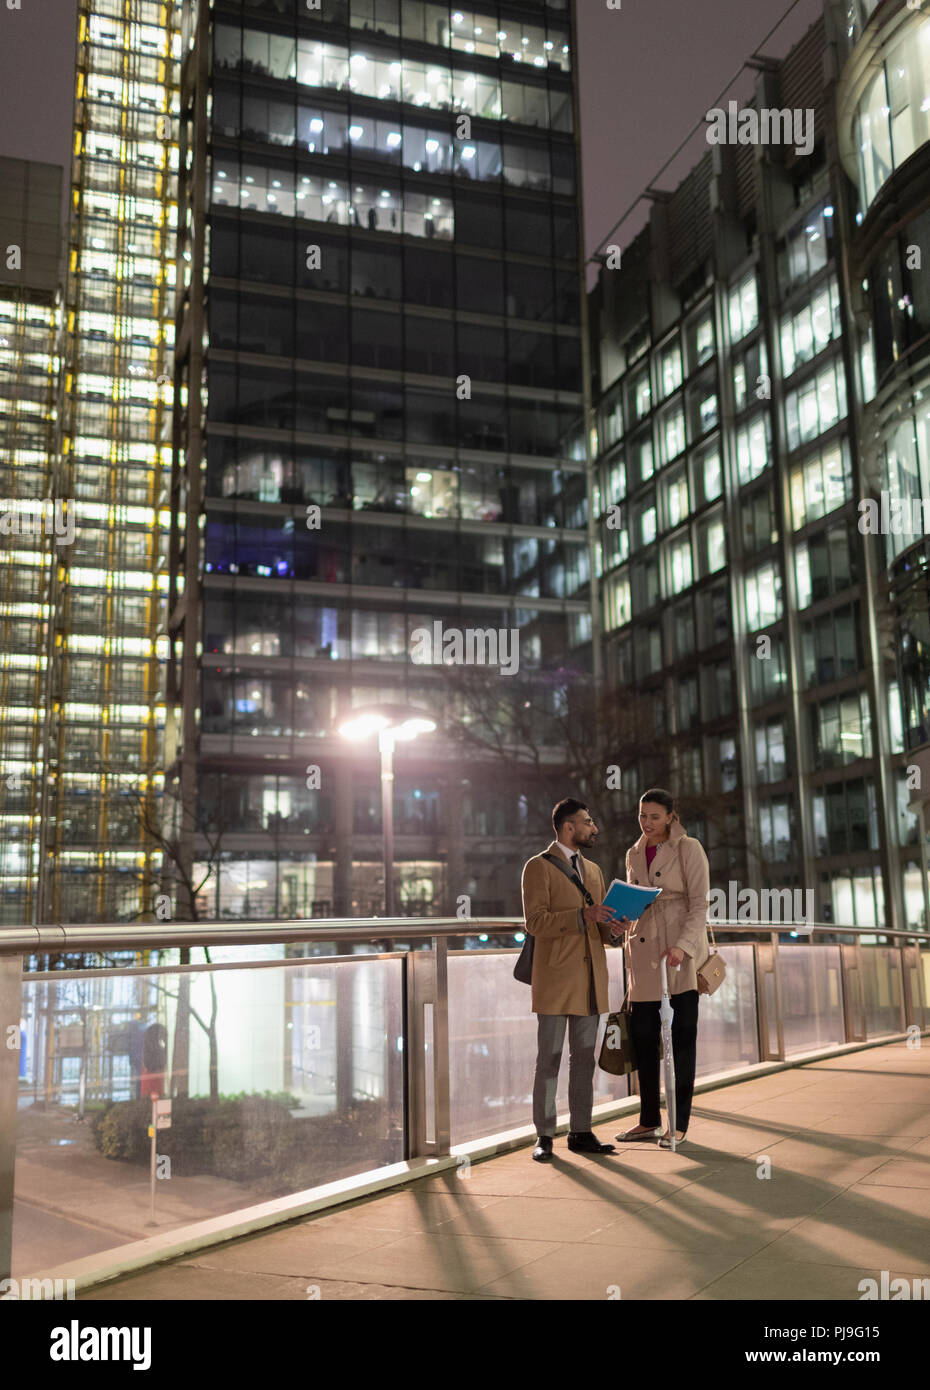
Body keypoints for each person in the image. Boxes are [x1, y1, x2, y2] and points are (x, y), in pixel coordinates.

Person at [521, 798, 620, 1162]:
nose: (594, 828)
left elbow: (600, 925)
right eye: (587, 822)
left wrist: (615, 928)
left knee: (584, 1060)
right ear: (568, 827)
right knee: (548, 1058)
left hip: (592, 980)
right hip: (555, 979)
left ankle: (581, 1131)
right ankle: (544, 1136)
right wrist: (583, 915)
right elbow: (535, 922)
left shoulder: (594, 870)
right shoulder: (537, 867)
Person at [613, 788, 709, 1149]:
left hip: (678, 953)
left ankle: (679, 1124)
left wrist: (684, 947)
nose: (647, 823)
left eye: (654, 816)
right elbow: (633, 897)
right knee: (642, 1038)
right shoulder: (634, 852)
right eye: (642, 815)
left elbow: (699, 905)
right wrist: (621, 920)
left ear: (670, 815)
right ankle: (649, 1120)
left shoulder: (689, 848)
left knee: (682, 1038)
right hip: (642, 950)